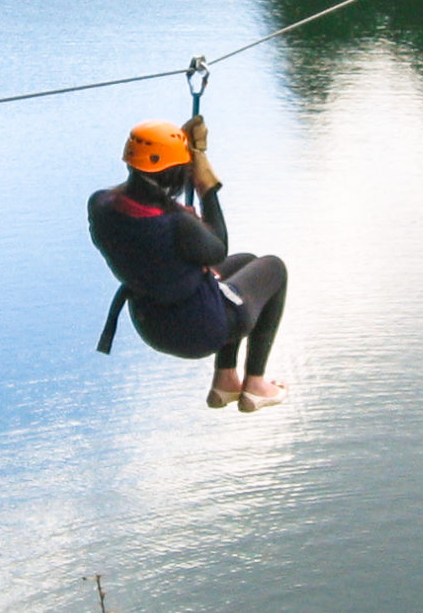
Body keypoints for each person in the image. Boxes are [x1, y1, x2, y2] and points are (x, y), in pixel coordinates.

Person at [87, 119, 288, 411]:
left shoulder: (101, 205)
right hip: (198, 330)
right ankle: (256, 385)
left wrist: (180, 152)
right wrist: (206, 186)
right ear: (175, 172)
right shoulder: (175, 224)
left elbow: (153, 234)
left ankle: (227, 380)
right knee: (274, 269)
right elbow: (218, 249)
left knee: (247, 262)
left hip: (152, 321)